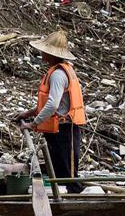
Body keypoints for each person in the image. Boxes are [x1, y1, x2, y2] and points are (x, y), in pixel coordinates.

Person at [13, 30, 86, 193]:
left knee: (67, 174)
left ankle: (73, 201)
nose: (41, 53)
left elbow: (53, 105)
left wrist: (33, 124)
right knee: (58, 169)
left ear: (52, 54)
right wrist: (28, 114)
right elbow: (53, 103)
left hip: (65, 129)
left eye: (44, 50)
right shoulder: (58, 71)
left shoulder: (58, 75)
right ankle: (59, 199)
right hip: (58, 129)